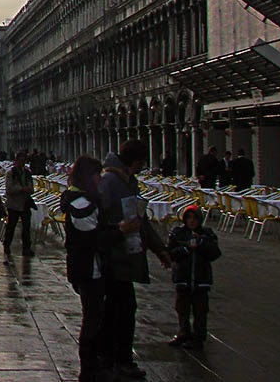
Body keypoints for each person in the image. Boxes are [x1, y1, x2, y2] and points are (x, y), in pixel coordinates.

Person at [97, 139, 171, 380]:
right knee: (121, 309)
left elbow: (141, 220)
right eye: (142, 163)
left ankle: (112, 357)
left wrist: (159, 249)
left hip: (127, 256)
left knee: (120, 309)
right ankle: (117, 359)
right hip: (114, 257)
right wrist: (118, 230)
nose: (142, 167)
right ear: (135, 161)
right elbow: (98, 218)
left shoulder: (128, 183)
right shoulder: (109, 182)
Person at [61, 156, 119, 382]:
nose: (100, 179)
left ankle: (94, 363)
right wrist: (121, 231)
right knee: (92, 317)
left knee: (95, 315)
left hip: (87, 267)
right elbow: (92, 239)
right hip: (87, 268)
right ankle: (89, 368)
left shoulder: (81, 199)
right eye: (97, 174)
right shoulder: (80, 202)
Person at [167, 205, 221, 350]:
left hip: (201, 280)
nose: (191, 221)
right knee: (182, 308)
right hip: (183, 278)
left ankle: (199, 336)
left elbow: (215, 253)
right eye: (189, 218)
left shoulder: (207, 234)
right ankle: (183, 332)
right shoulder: (178, 233)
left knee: (200, 311)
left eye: (195, 218)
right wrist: (185, 249)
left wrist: (201, 243)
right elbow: (171, 253)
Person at [3, 152, 36, 259]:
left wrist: (29, 189)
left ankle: (26, 248)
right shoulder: (10, 173)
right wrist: (22, 189)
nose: (22, 163)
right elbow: (9, 188)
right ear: (16, 161)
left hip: (26, 203)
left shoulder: (27, 173)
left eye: (24, 161)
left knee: (26, 227)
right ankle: (6, 245)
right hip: (14, 204)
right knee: (11, 226)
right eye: (20, 161)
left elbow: (32, 187)